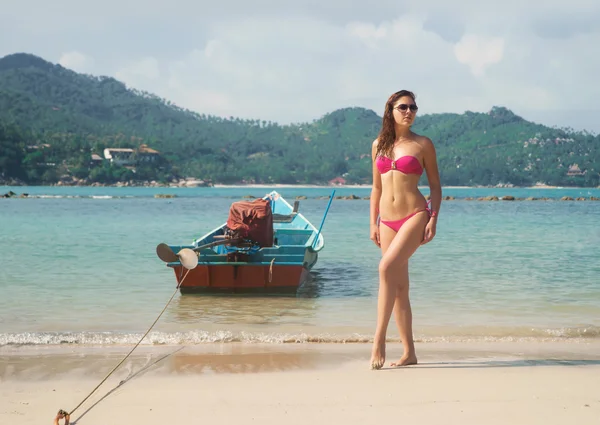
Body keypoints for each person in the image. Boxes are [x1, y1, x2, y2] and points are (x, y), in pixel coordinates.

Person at [369, 90, 442, 369]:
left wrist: (432, 218)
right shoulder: (378, 145)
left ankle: (378, 340)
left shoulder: (423, 144)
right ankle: (409, 353)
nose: (409, 112)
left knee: (385, 269)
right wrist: (372, 222)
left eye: (413, 107)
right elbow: (376, 188)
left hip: (415, 214)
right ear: (391, 110)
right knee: (399, 287)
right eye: (403, 107)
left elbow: (435, 186)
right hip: (386, 221)